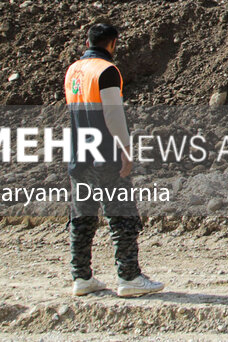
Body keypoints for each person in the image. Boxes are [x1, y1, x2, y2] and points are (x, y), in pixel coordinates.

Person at [64, 22, 164, 298]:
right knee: (121, 215)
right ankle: (129, 276)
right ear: (113, 44)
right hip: (105, 155)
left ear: (88, 43)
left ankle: (81, 277)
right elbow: (113, 114)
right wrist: (126, 148)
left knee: (83, 216)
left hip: (78, 154)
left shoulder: (73, 71)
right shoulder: (107, 71)